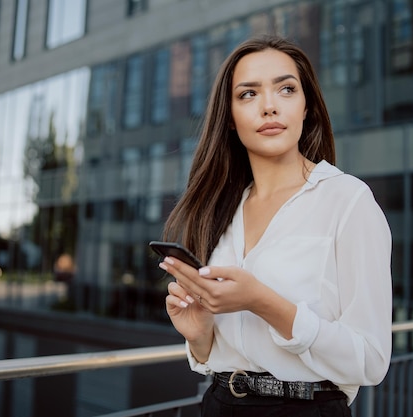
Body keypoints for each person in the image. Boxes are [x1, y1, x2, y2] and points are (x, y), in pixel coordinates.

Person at [158, 34, 392, 417]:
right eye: (248, 94)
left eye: (286, 89)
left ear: (306, 107)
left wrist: (262, 301)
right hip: (218, 403)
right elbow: (219, 352)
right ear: (230, 119)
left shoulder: (348, 200)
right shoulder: (221, 207)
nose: (269, 106)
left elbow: (371, 360)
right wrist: (200, 336)